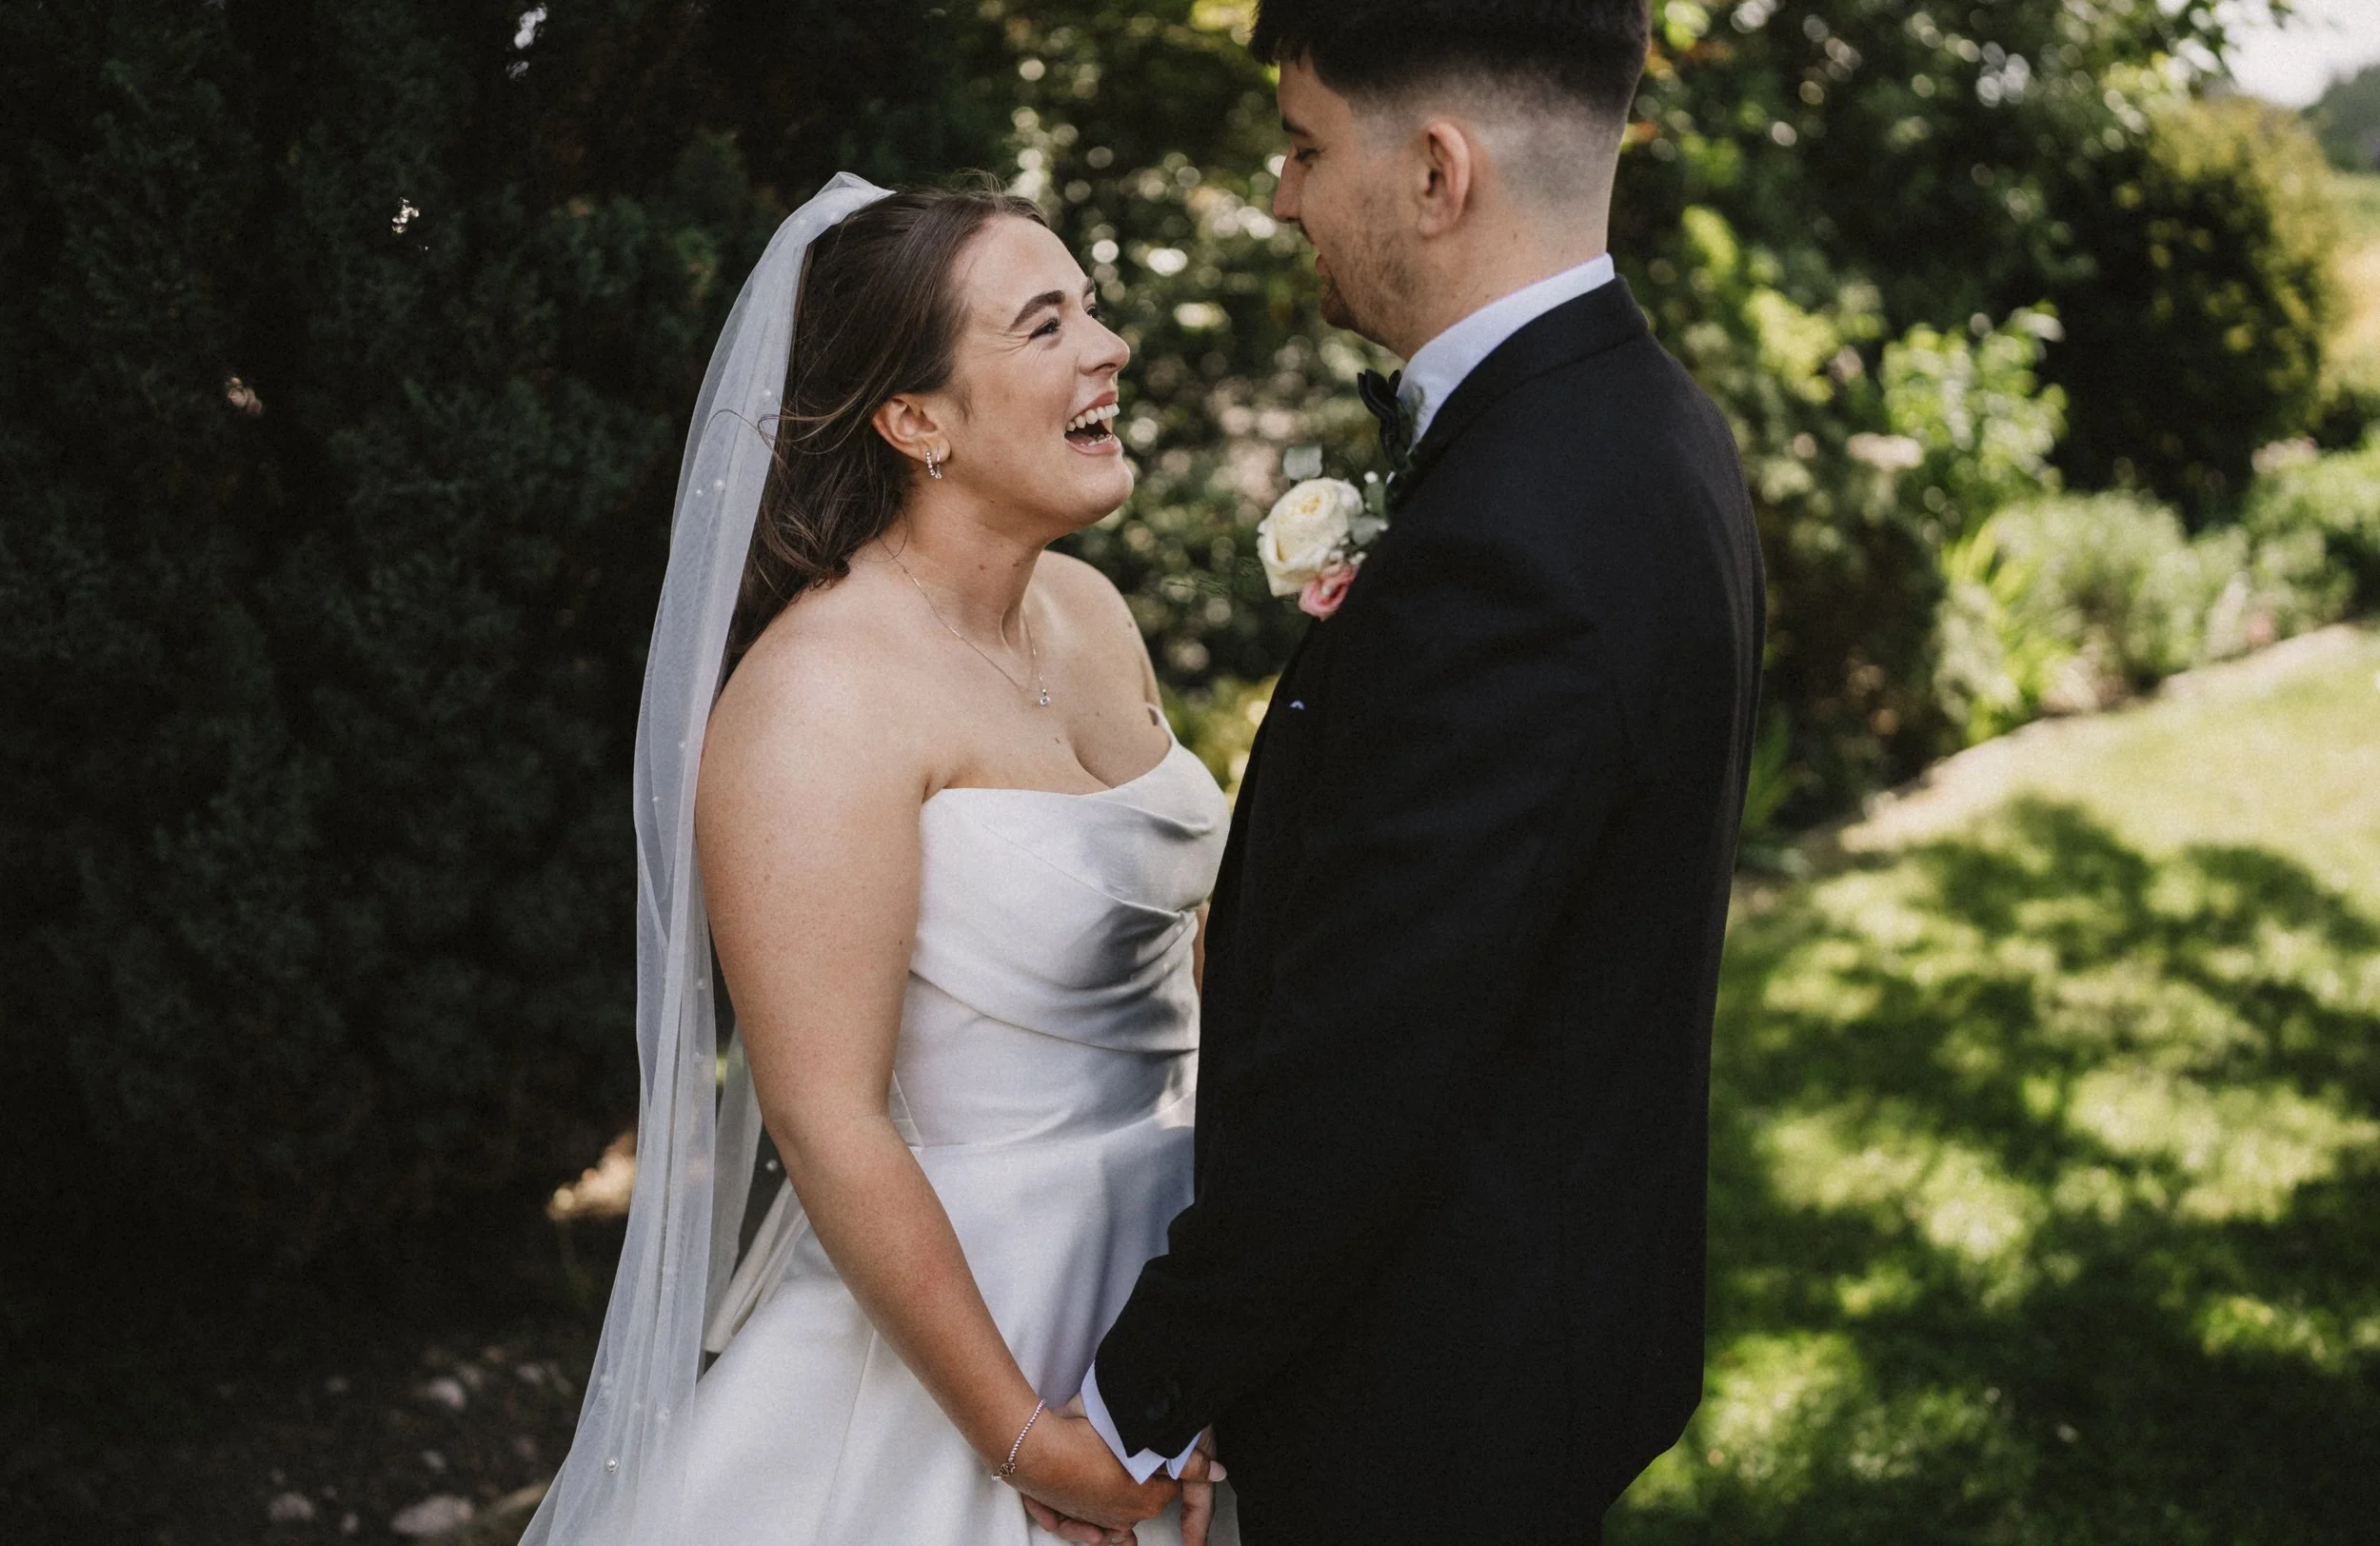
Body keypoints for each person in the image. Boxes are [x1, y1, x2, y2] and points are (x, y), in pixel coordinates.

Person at [1060, 2, 1768, 1542]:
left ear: (1439, 171)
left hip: (1427, 1409)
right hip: (1534, 1345)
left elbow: (1372, 1053)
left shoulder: (1519, 526)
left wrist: (1129, 1401)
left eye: (1306, 146)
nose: (1281, 195)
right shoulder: (1648, 431)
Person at [520, 175, 1230, 1546]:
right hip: (969, 1324)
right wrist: (1026, 1440)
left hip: (1171, 1278)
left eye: (1092, 307)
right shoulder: (815, 703)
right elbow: (826, 1120)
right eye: (1043, 325)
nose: (1108, 348)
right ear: (915, 421)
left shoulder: (1086, 609)